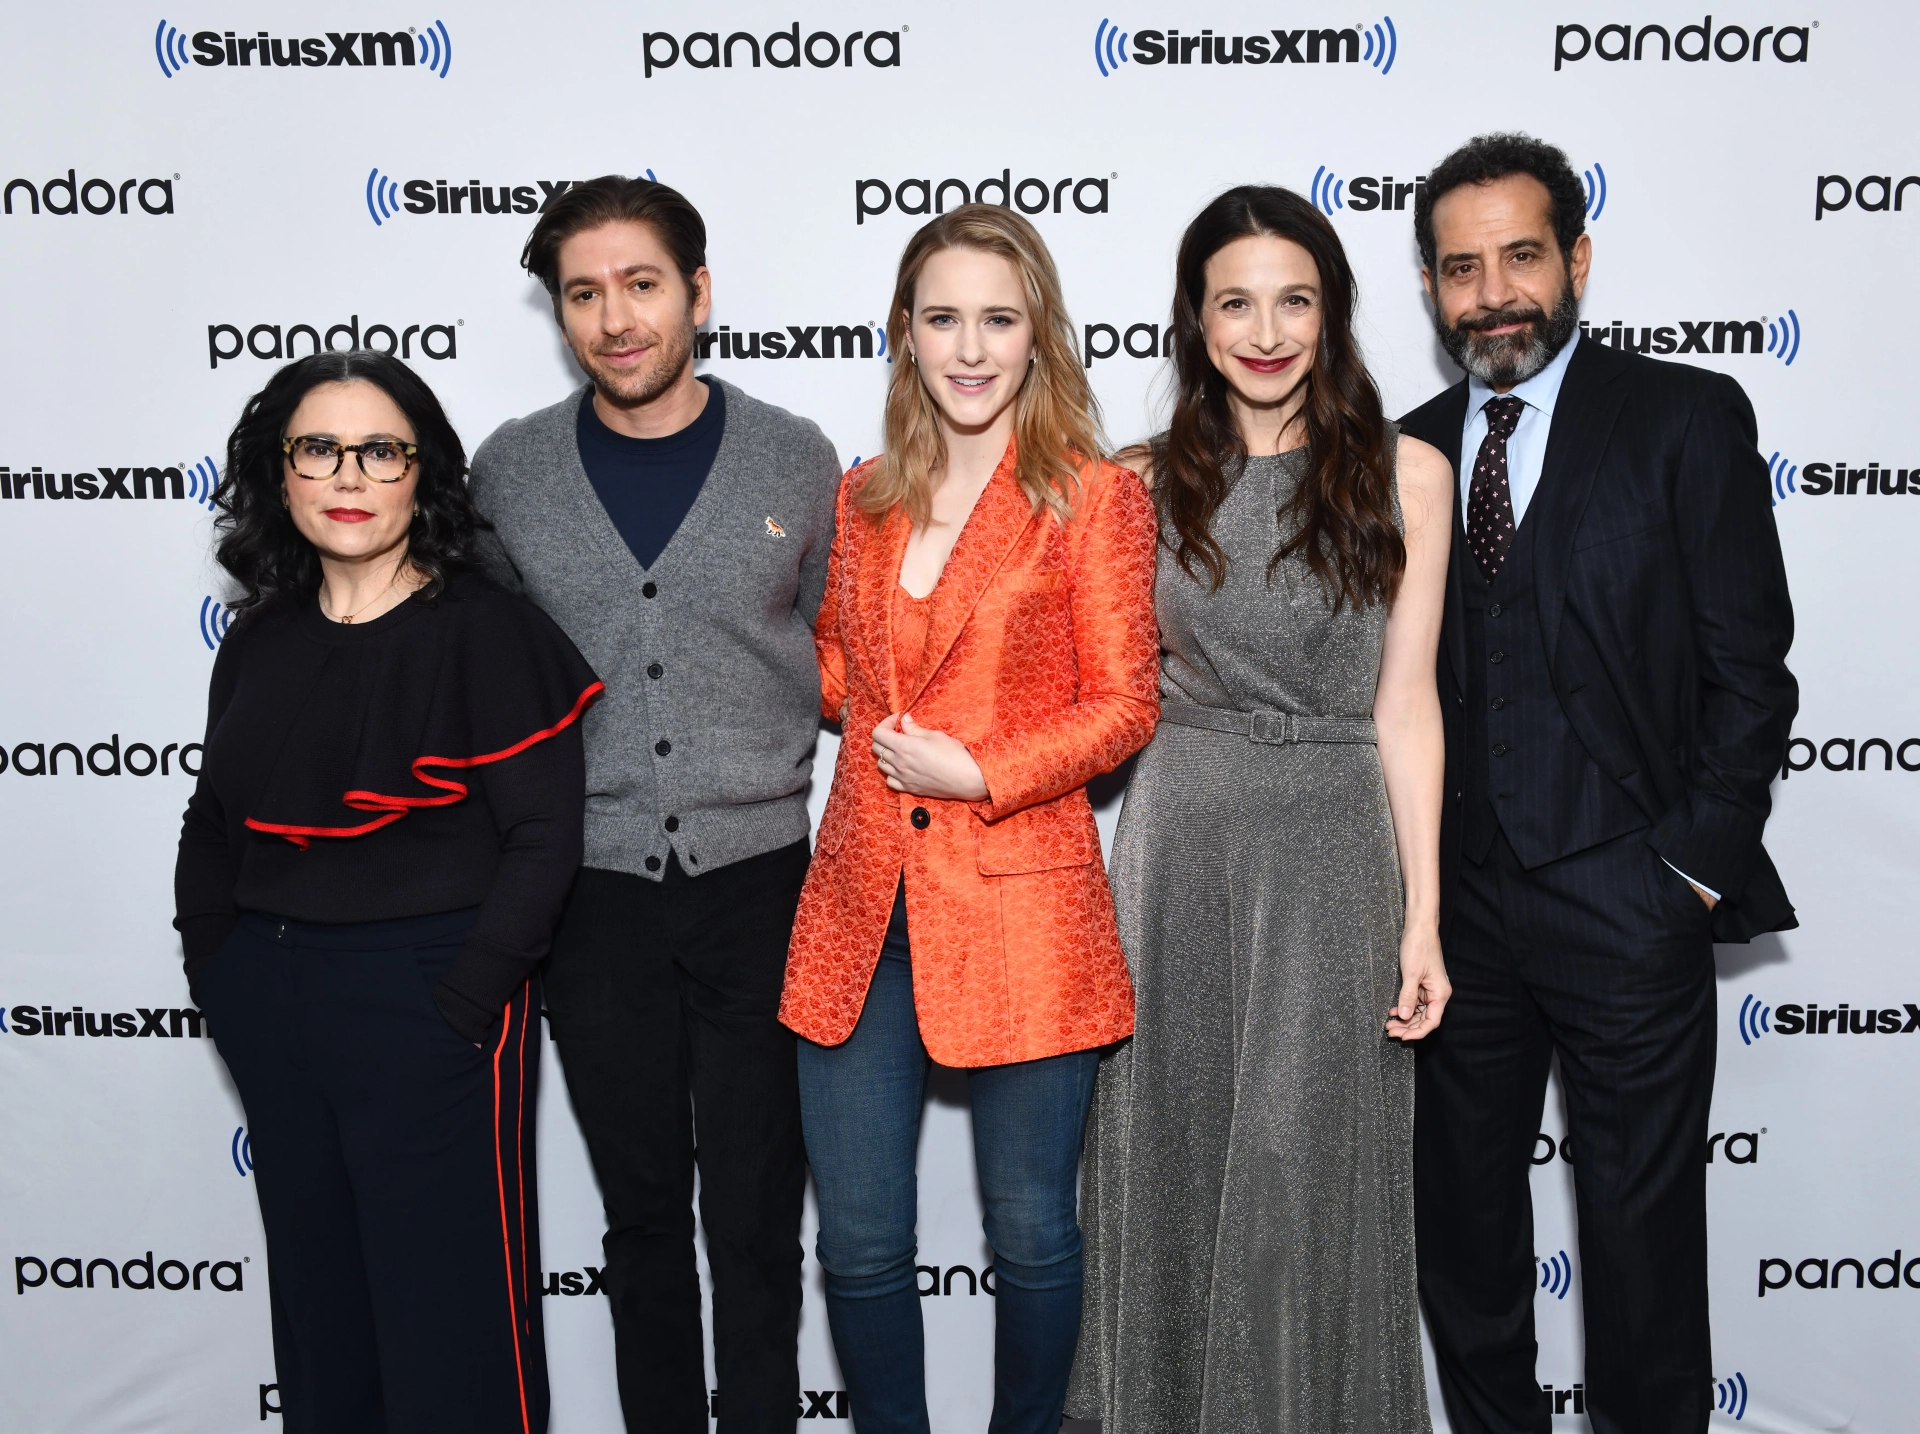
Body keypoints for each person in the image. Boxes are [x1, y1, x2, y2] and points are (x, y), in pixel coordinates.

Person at [1398, 133, 1797, 1434]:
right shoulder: (1404, 454)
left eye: (1520, 255)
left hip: (1630, 897)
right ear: (1431, 286)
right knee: (1461, 1228)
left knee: (1639, 1243)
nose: (1493, 292)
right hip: (1458, 920)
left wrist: (1685, 869)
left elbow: (1752, 672)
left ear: (1576, 259)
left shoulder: (1683, 415)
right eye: (1462, 268)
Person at [1068, 187, 1454, 1433]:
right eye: (1236, 300)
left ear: (1334, 312)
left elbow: (1407, 707)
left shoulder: (1408, 474)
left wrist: (1425, 918)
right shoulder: (1133, 483)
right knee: (1169, 1165)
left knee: (1302, 1180)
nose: (1266, 328)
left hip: (1337, 846)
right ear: (1196, 317)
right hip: (1179, 843)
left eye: (1295, 298)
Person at [466, 175, 841, 1434]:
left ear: (698, 293)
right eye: (584, 293)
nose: (615, 318)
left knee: (753, 1209)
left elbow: (848, 643)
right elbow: (484, 677)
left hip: (761, 885)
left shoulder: (796, 455)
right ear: (561, 311)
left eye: (640, 284)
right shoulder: (510, 471)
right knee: (640, 1218)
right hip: (594, 895)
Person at [779, 203, 1158, 1434]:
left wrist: (981, 772)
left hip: (1022, 904)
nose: (971, 347)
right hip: (858, 906)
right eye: (943, 318)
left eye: (999, 319)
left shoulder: (1092, 500)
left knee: (1036, 1233)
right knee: (863, 1241)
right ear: (903, 334)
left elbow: (1122, 705)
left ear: (1039, 333)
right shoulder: (862, 494)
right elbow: (840, 668)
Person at [174, 350, 601, 1434]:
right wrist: (220, 974)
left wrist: (465, 1001)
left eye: (380, 449)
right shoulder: (260, 637)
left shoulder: (489, 632)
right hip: (274, 999)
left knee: (454, 1322)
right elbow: (214, 823)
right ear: (282, 474)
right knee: (322, 1314)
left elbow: (544, 836)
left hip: (435, 995)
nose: (348, 474)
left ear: (424, 474)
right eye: (319, 449)